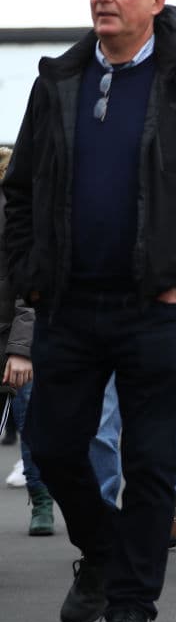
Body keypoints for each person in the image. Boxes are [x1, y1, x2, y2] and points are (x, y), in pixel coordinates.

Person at [3, 0, 176, 622]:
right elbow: (20, 190)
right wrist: (29, 271)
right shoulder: (57, 81)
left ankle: (130, 606)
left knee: (150, 464)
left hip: (154, 311)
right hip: (68, 305)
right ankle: (104, 548)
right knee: (52, 446)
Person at [0, 148, 48, 536]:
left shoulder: (15, 208)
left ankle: (42, 497)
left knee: (31, 424)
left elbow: (29, 285)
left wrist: (20, 348)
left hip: (11, 341)